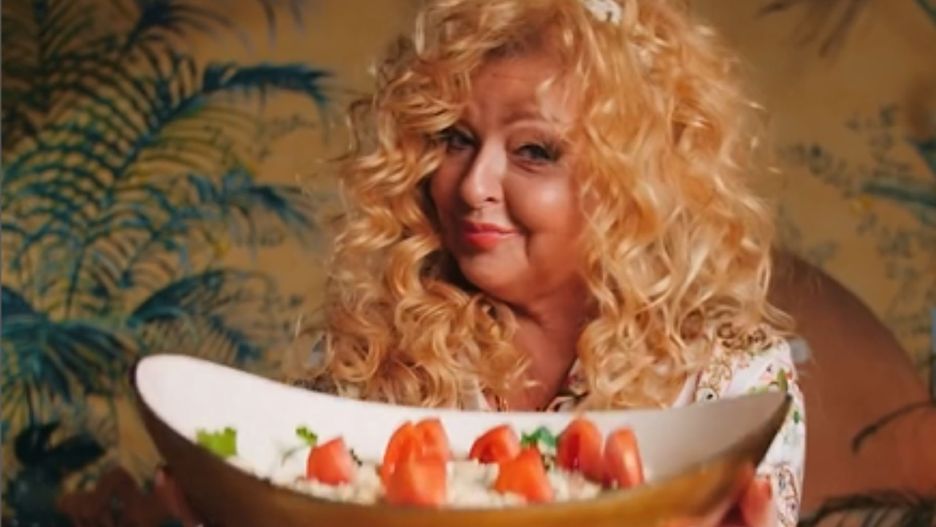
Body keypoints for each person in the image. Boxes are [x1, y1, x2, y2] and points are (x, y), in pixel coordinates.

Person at [157, 1, 806, 526]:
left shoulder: (730, 382)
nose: (472, 185)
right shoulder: (377, 357)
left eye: (534, 151)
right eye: (456, 139)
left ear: (636, 183)